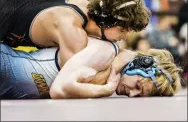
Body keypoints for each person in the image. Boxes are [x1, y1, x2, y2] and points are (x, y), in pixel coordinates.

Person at [0, 0, 151, 67]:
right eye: (123, 30)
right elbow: (69, 80)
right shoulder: (71, 28)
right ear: (107, 22)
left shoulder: (95, 7)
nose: (125, 36)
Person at [0, 37, 181, 99]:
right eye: (138, 87)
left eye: (139, 95)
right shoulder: (107, 51)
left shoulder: (109, 71)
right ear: (140, 65)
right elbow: (60, 90)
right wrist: (106, 88)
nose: (131, 94)